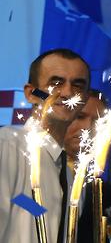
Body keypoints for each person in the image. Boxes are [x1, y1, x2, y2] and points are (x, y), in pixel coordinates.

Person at [0, 48, 90, 243]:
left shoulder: (73, 177)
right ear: (31, 93)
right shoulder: (7, 145)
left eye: (78, 85)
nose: (67, 92)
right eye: (56, 83)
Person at [65, 90, 111, 243]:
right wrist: (43, 214)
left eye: (97, 121)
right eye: (79, 116)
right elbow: (17, 198)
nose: (87, 127)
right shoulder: (33, 168)